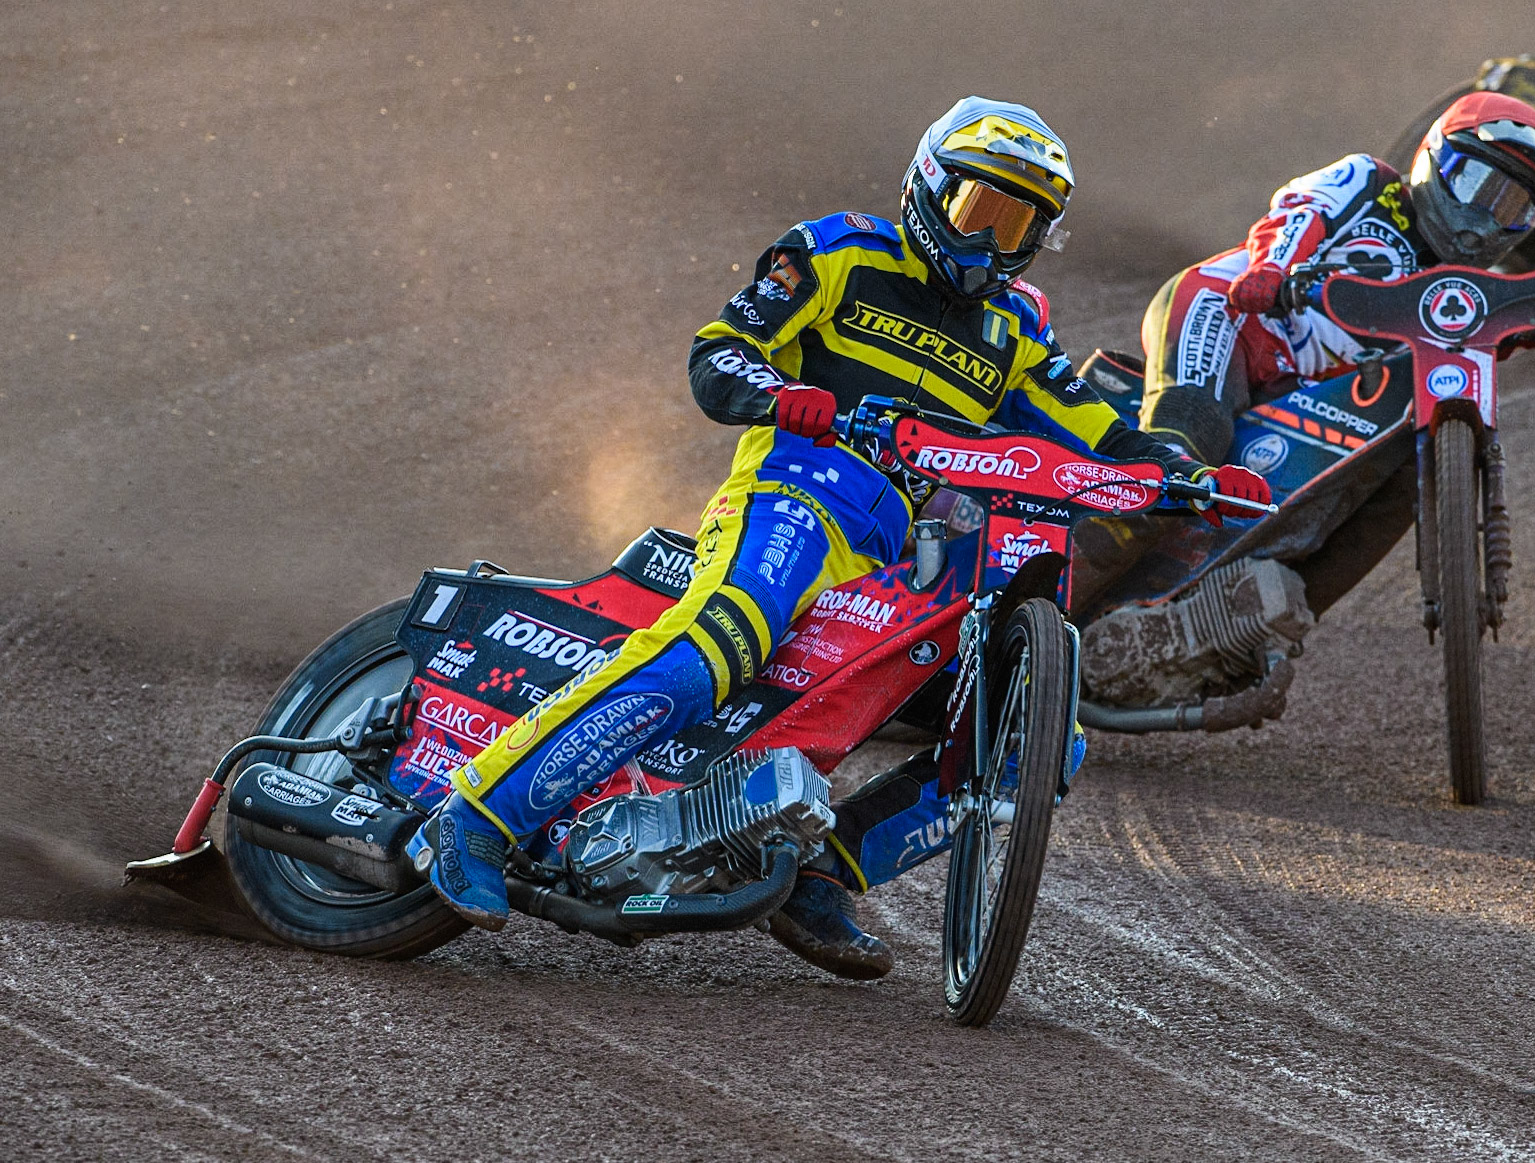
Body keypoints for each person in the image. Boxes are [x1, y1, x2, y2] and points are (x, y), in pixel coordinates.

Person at [406, 97, 1272, 979]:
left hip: (897, 549)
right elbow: (720, 350)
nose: (991, 245)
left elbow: (1097, 429)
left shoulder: (1017, 328)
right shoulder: (837, 249)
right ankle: (479, 817)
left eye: (1020, 228)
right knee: (722, 640)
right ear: (929, 190)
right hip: (793, 491)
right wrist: (785, 396)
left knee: (1030, 738)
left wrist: (1184, 469)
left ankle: (824, 866)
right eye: (981, 211)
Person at [1130, 92, 1535, 478]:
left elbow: (1531, 313)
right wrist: (1271, 270)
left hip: (1303, 390)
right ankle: (1100, 537)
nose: (1486, 216)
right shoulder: (1367, 181)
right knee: (1185, 445)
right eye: (1474, 181)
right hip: (1228, 315)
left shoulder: (1470, 291)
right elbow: (1302, 210)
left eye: (1513, 207)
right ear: (1433, 157)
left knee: (1395, 471)